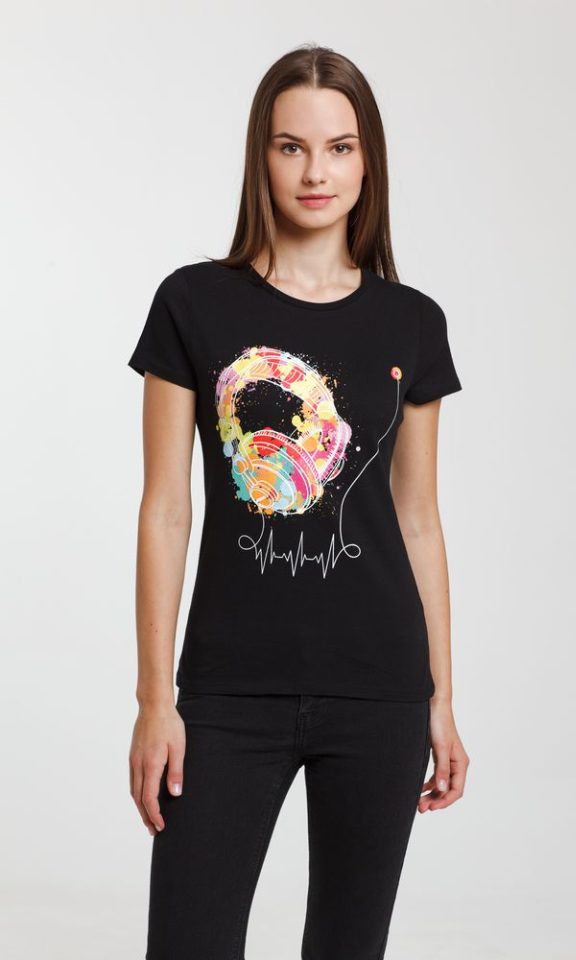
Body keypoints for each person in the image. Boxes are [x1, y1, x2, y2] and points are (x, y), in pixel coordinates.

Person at [127, 43, 470, 960]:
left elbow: (418, 519)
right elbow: (165, 509)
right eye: (291, 147)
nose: (316, 172)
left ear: (368, 161)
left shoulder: (412, 322)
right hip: (226, 693)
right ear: (262, 156)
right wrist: (154, 701)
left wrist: (442, 700)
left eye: (339, 148)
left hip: (380, 690)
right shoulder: (192, 304)